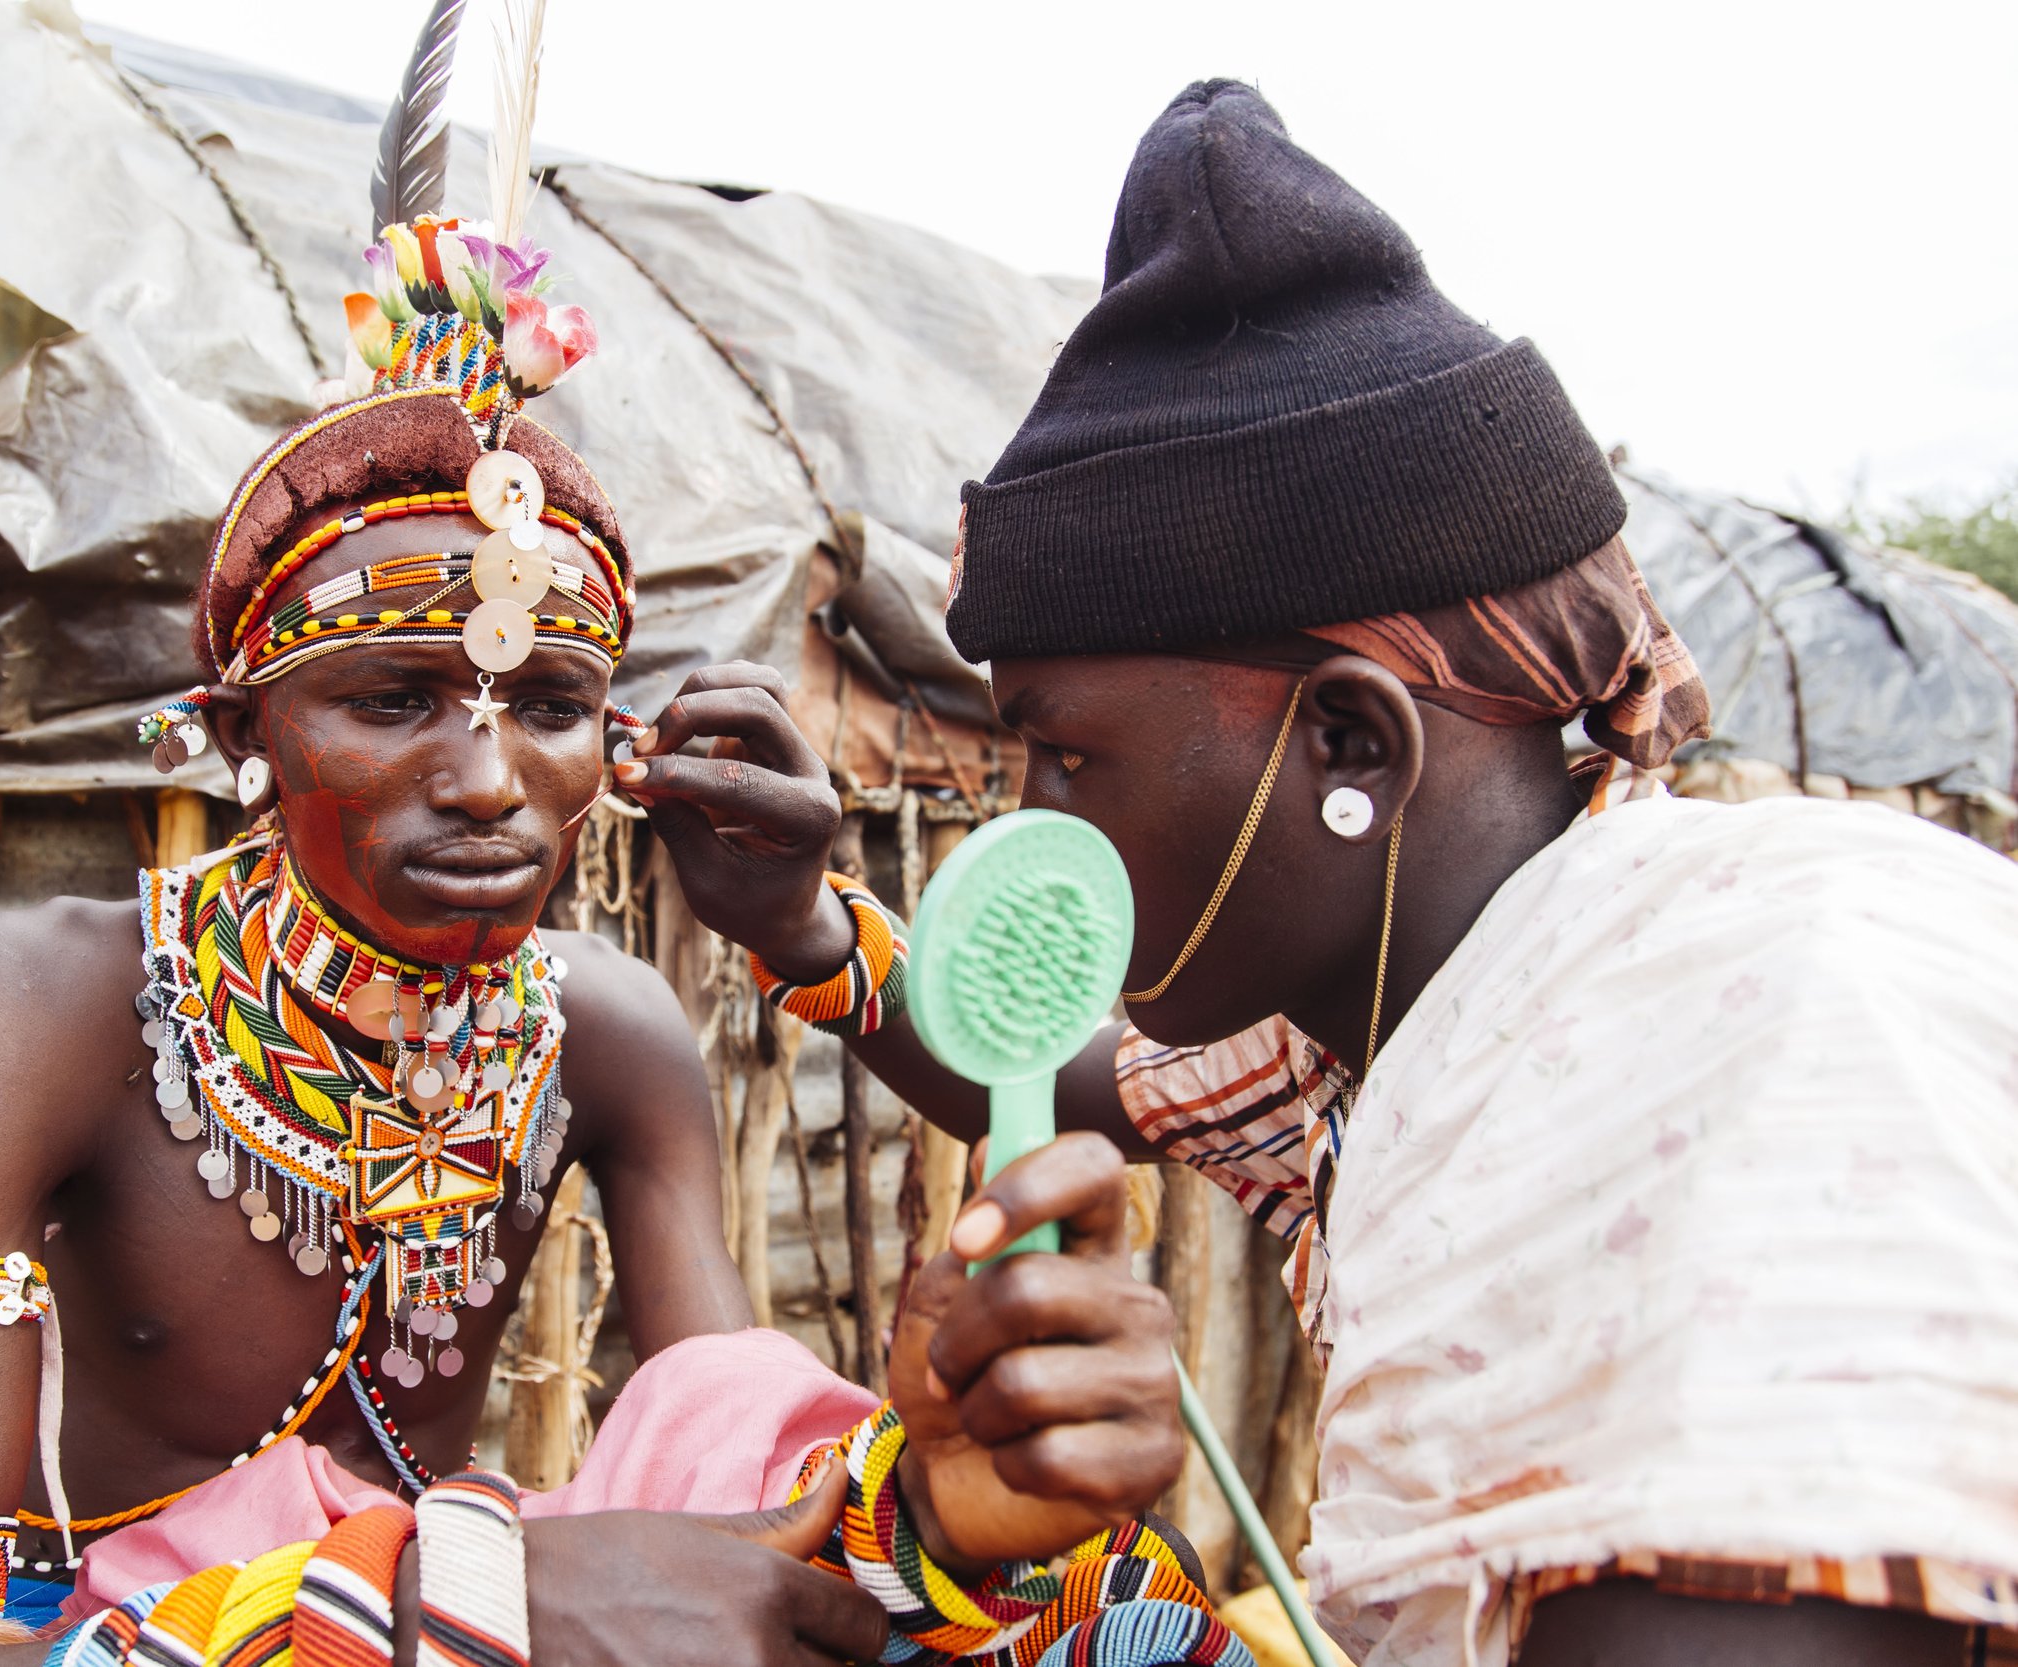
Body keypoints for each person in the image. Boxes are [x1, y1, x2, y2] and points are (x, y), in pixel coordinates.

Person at [628, 80, 2018, 1667]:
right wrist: (801, 925)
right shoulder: (1410, 1012)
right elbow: (1069, 1083)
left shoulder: (1757, 1033)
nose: (1033, 825)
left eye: (1067, 753)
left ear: (1353, 747)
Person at [0, 212, 1238, 1667]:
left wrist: (924, 1505)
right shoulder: (52, 1000)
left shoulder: (603, 1025)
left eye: (547, 711)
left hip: (492, 1603)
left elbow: (725, 1453)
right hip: (159, 1634)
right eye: (395, 699)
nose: (488, 784)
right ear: (244, 736)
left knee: (1097, 1602)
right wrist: (454, 1606)